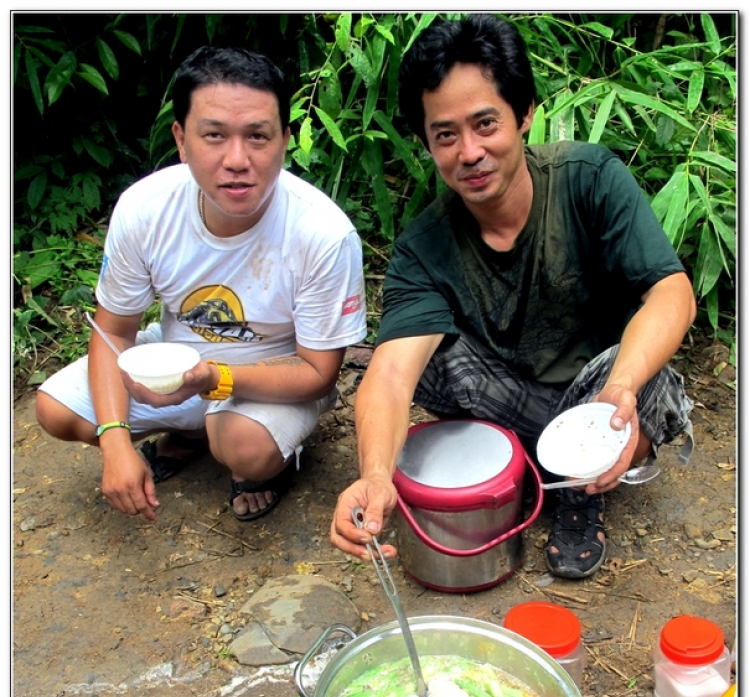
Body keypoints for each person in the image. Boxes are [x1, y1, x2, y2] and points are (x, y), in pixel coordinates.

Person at [330, 13, 696, 579]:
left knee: (655, 381)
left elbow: (671, 293)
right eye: (445, 135)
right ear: (427, 142)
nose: (469, 152)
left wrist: (619, 387)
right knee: (431, 360)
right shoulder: (424, 246)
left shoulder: (588, 180)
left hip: (602, 398)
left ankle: (576, 486)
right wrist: (377, 474)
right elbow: (391, 375)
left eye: (485, 124)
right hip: (508, 396)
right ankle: (542, 466)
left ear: (523, 114)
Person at [36, 46, 366, 523]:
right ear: (182, 139)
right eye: (214, 135)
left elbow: (318, 371)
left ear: (285, 140)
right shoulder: (145, 208)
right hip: (176, 360)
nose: (237, 159)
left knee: (244, 445)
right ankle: (191, 431)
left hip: (276, 375)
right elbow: (114, 332)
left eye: (258, 136)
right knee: (55, 410)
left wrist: (215, 378)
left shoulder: (323, 233)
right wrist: (113, 438)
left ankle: (260, 461)